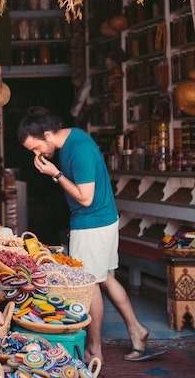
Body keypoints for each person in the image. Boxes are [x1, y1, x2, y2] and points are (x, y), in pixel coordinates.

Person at [17, 106, 166, 363]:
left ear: (49, 134)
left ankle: (94, 349)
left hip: (92, 223)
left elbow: (85, 198)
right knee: (105, 277)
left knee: (88, 284)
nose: (37, 154)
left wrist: (55, 174)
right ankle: (137, 330)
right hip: (103, 219)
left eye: (36, 148)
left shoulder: (80, 150)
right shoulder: (72, 138)